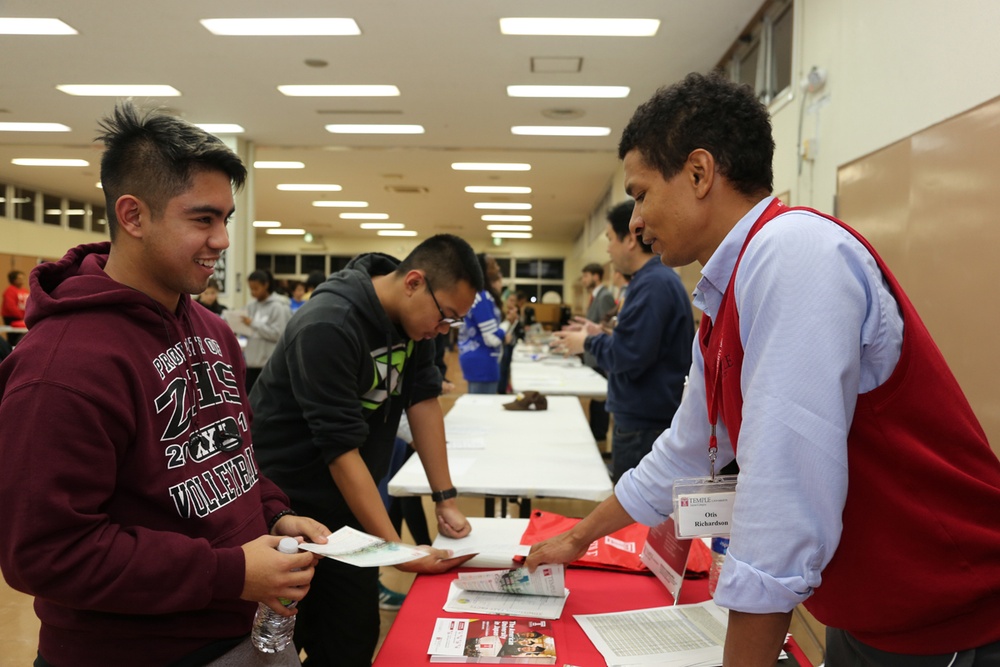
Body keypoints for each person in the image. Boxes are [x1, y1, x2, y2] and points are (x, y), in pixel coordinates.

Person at [528, 72, 1000, 666]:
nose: (637, 222)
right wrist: (578, 536)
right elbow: (683, 452)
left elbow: (784, 501)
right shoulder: (727, 294)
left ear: (699, 174)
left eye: (642, 194)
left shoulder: (794, 254)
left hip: (947, 618)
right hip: (865, 612)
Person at [0, 101, 330, 667]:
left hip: (243, 633)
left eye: (226, 218)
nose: (223, 240)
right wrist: (231, 571)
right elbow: (45, 554)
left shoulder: (212, 331)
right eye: (202, 219)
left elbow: (233, 458)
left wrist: (274, 514)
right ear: (133, 215)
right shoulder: (61, 369)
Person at [249, 233, 481, 666]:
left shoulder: (415, 322)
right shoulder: (329, 324)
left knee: (352, 636)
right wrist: (397, 550)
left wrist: (445, 499)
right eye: (445, 316)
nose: (441, 329)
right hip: (287, 505)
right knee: (276, 643)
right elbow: (340, 452)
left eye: (453, 323)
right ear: (413, 282)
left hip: (347, 506)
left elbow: (424, 403)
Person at [553, 200, 693, 482]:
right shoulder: (650, 280)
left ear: (630, 239)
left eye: (609, 239)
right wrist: (600, 334)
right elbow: (641, 343)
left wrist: (586, 343)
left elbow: (630, 354)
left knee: (636, 520)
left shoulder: (653, 284)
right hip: (645, 420)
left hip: (645, 426)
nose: (607, 248)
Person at [578, 262, 617, 442]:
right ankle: (595, 434)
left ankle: (599, 437)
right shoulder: (595, 297)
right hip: (593, 357)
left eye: (586, 276)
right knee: (595, 402)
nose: (584, 280)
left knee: (600, 402)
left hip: (599, 358)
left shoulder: (604, 297)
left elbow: (605, 328)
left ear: (596, 277)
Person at [457, 253, 506, 394]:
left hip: (476, 358)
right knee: (483, 409)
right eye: (493, 264)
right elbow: (492, 338)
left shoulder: (478, 295)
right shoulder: (482, 297)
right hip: (483, 361)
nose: (497, 267)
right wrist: (507, 324)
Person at [243, 269, 291, 393]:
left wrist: (253, 323)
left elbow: (278, 335)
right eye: (251, 289)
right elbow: (248, 330)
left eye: (256, 288)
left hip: (268, 364)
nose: (253, 292)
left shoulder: (278, 306)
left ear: (266, 285)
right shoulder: (251, 306)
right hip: (251, 362)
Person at [2, 269, 29, 345]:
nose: (22, 280)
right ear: (14, 280)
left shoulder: (25, 291)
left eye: (23, 278)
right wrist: (20, 316)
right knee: (13, 337)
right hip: (12, 317)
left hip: (23, 317)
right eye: (19, 279)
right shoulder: (9, 291)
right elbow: (10, 306)